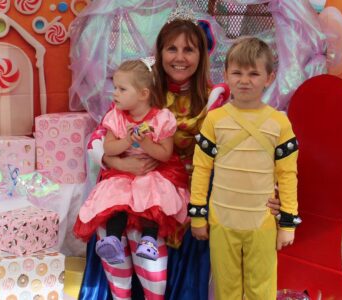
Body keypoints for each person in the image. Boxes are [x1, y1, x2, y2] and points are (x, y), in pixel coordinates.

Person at [79, 16, 283, 300]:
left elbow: (248, 147)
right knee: (114, 220)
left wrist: (269, 192)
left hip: (194, 196)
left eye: (189, 50)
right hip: (132, 186)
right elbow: (99, 137)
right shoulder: (141, 91)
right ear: (160, 52)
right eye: (171, 49)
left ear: (201, 55)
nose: (180, 57)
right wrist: (117, 163)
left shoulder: (218, 99)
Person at [190, 36, 301, 299]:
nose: (244, 80)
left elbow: (288, 174)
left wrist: (288, 223)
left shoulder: (280, 124)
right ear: (226, 74)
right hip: (221, 221)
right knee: (225, 288)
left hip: (261, 223)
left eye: (253, 73)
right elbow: (202, 169)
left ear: (269, 77)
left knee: (261, 289)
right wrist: (197, 215)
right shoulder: (214, 120)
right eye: (237, 72)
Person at [74, 58, 190, 265]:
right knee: (116, 199)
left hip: (153, 171)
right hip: (122, 173)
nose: (115, 93)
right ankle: (112, 240)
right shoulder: (115, 117)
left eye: (122, 89)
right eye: (115, 87)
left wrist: (145, 143)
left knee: (152, 197)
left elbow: (165, 154)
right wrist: (127, 140)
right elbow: (108, 148)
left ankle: (149, 240)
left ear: (143, 94)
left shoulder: (161, 118)